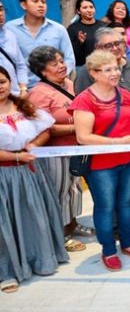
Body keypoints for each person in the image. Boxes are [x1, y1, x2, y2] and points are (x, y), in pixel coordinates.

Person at [70, 50, 130, 271]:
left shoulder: (123, 93)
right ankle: (108, 250)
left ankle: (128, 243)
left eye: (116, 68)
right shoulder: (85, 100)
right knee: (105, 207)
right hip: (101, 164)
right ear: (94, 73)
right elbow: (83, 137)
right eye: (108, 70)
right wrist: (119, 141)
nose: (115, 73)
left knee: (125, 204)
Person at [0, 65, 68, 293]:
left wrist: (34, 145)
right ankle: (7, 271)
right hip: (4, 175)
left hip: (30, 171)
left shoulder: (23, 105)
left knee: (34, 216)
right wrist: (16, 156)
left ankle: (41, 259)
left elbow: (46, 128)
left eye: (2, 81)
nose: (0, 87)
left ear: (10, 82)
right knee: (5, 223)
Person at [27, 46, 92, 252]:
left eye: (61, 61)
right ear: (42, 71)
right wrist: (79, 126)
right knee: (60, 192)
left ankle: (72, 224)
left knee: (74, 189)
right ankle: (61, 234)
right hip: (55, 152)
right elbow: (46, 127)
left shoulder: (69, 83)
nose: (61, 66)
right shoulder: (38, 93)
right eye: (54, 64)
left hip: (75, 148)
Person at [7, 0, 75, 89]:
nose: (41, 5)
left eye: (43, 2)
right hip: (22, 88)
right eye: (35, 1)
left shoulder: (58, 29)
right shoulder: (10, 29)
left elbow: (69, 58)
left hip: (54, 87)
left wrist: (59, 78)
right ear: (23, 5)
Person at [74, 27, 130, 95]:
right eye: (108, 45)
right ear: (98, 48)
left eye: (117, 43)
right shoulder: (89, 71)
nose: (115, 48)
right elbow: (83, 102)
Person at [0, 0, 30, 96]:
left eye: (1, 9)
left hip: (14, 95)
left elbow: (20, 65)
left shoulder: (9, 35)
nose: (0, 14)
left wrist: (23, 89)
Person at [66, 0, 106, 68]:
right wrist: (79, 42)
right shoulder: (72, 28)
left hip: (103, 65)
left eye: (91, 7)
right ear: (78, 11)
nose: (89, 10)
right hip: (83, 67)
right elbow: (69, 52)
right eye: (85, 8)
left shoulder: (103, 25)